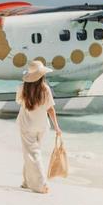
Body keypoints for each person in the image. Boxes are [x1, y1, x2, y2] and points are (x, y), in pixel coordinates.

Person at [16, 59, 62, 193]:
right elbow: (51, 109)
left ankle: (41, 184)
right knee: (32, 153)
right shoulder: (45, 89)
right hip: (42, 126)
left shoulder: (22, 88)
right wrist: (57, 127)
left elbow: (20, 102)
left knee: (31, 154)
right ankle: (26, 181)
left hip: (26, 125)